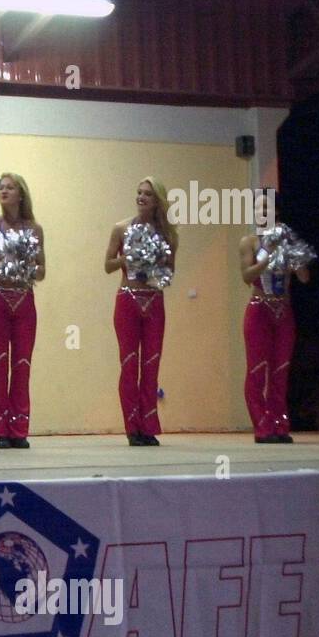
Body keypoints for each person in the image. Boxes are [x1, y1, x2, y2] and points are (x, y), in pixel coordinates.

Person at [103, 176, 178, 446]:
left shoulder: (168, 233)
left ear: (157, 199)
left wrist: (156, 269)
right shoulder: (121, 228)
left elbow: (170, 272)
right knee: (129, 363)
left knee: (150, 365)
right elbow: (108, 265)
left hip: (154, 300)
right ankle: (132, 426)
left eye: (147, 194)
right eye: (138, 193)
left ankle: (148, 426)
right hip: (128, 299)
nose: (141, 197)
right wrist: (128, 258)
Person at [0, 172, 45, 449]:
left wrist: (25, 268)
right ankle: (1, 429)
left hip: (24, 300)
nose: (4, 191)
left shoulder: (34, 230)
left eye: (10, 187)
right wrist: (2, 266)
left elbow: (42, 270)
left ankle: (20, 428)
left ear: (21, 194)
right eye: (1, 188)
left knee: (22, 365)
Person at [239, 194, 308, 443]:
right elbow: (246, 276)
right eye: (258, 209)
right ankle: (262, 426)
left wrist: (291, 251)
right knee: (257, 370)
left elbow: (303, 277)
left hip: (284, 311)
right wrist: (266, 255)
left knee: (280, 371)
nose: (262, 212)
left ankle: (280, 423)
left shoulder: (287, 241)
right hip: (259, 310)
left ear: (277, 212)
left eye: (266, 207)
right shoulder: (249, 242)